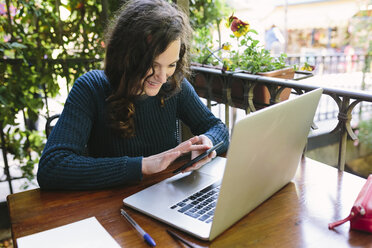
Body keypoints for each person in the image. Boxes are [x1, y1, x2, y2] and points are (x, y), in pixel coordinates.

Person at [37, 0, 229, 190]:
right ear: (127, 57)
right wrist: (142, 165)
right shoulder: (90, 87)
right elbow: (52, 167)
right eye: (153, 65)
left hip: (165, 196)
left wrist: (209, 142)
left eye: (171, 65)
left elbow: (217, 127)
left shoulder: (173, 85)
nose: (162, 77)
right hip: (110, 204)